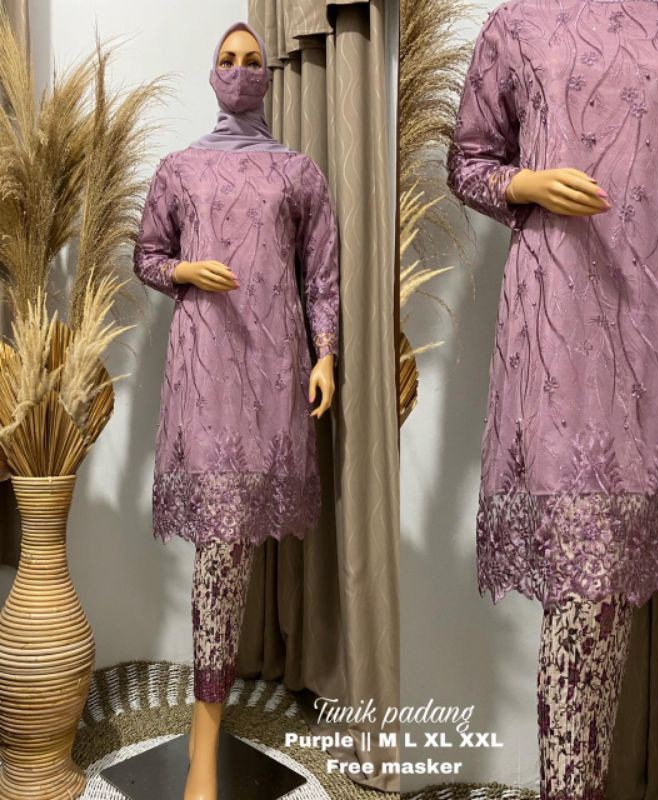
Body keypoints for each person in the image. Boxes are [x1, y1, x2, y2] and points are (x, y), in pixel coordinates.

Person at [447, 0, 658, 796]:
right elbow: (469, 161)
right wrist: (528, 182)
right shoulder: (517, 25)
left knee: (609, 588)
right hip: (556, 328)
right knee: (580, 591)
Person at [133, 20, 339, 800]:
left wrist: (326, 354)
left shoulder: (298, 174)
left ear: (268, 77)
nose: (242, 70)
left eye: (254, 61)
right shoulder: (179, 170)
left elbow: (322, 273)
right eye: (229, 59)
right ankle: (204, 743)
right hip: (203, 376)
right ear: (211, 72)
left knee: (238, 550)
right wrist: (186, 270)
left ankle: (207, 727)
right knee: (218, 553)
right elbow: (147, 256)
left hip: (275, 375)